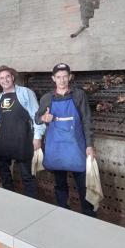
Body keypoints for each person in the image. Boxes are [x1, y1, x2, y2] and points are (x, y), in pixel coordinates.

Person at [0, 66, 45, 198]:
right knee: (4, 173)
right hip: (4, 139)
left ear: (12, 77)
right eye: (1, 78)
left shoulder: (25, 92)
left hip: (24, 138)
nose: (5, 80)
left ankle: (32, 204)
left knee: (27, 175)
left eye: (7, 77)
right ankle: (9, 198)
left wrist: (38, 137)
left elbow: (36, 116)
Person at [35, 63, 96, 217]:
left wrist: (89, 145)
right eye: (58, 77)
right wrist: (44, 117)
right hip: (56, 147)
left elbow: (86, 120)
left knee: (83, 184)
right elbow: (37, 118)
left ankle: (88, 214)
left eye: (65, 77)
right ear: (53, 78)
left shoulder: (78, 95)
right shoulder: (47, 98)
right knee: (60, 183)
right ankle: (63, 211)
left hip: (76, 146)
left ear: (70, 77)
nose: (62, 80)